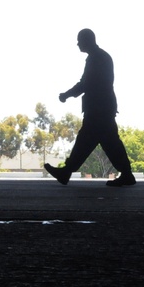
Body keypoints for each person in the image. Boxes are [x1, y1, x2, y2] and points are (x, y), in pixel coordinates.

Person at [45, 28, 136, 187]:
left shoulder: (96, 59)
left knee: (88, 141)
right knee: (107, 142)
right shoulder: (101, 57)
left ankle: (67, 171)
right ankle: (126, 174)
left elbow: (85, 84)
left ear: (87, 41)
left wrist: (66, 95)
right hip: (103, 107)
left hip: (98, 109)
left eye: (80, 40)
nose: (78, 44)